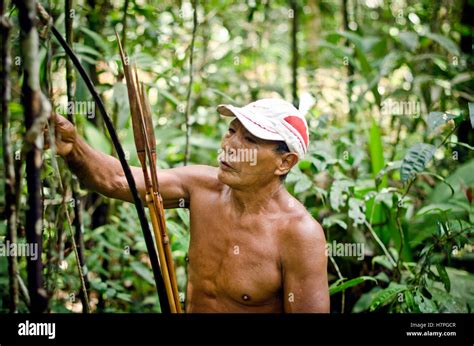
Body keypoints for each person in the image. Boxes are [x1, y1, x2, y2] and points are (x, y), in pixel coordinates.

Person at [51, 98, 329, 312]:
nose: (230, 145)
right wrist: (73, 146)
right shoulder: (202, 186)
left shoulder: (299, 234)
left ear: (285, 162)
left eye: (250, 140)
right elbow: (116, 180)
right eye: (231, 131)